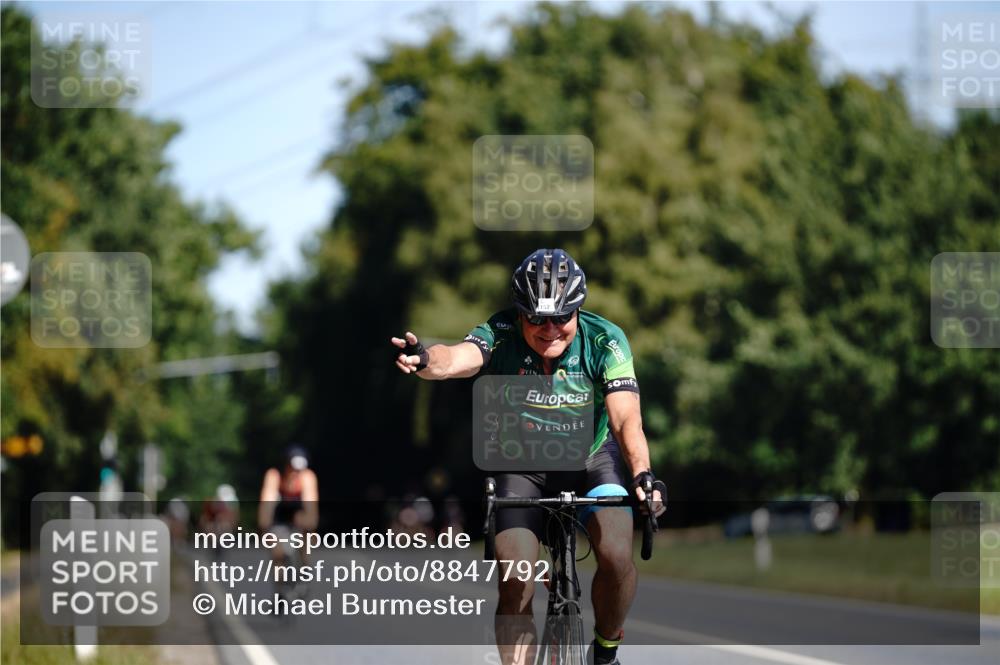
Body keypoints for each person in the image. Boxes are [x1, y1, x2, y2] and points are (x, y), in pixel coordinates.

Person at [392, 248, 666, 665]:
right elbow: (458, 358)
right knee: (516, 577)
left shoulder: (604, 340)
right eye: (537, 318)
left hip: (592, 460)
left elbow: (626, 419)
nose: (550, 329)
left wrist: (643, 476)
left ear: (579, 310)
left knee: (614, 552)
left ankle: (606, 650)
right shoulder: (500, 332)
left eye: (562, 317)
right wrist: (428, 358)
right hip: (522, 465)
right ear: (520, 313)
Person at [258, 445, 319, 566]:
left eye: (299, 469)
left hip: (298, 515)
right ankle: (281, 580)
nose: (296, 472)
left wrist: (311, 526)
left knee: (305, 541)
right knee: (277, 553)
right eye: (293, 468)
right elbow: (266, 505)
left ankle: (304, 568)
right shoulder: (274, 476)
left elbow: (311, 506)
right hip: (279, 516)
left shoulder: (307, 477)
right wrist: (264, 528)